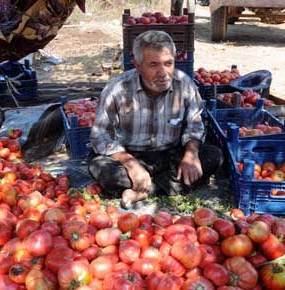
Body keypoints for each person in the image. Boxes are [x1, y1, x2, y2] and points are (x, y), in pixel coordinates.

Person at [89, 30, 223, 209]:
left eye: (168, 63)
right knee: (106, 172)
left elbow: (195, 125)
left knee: (214, 156)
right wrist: (131, 164)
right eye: (153, 64)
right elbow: (100, 136)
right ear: (137, 65)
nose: (163, 72)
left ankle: (144, 190)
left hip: (170, 154)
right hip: (129, 153)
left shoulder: (184, 85)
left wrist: (191, 154)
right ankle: (162, 184)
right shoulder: (117, 89)